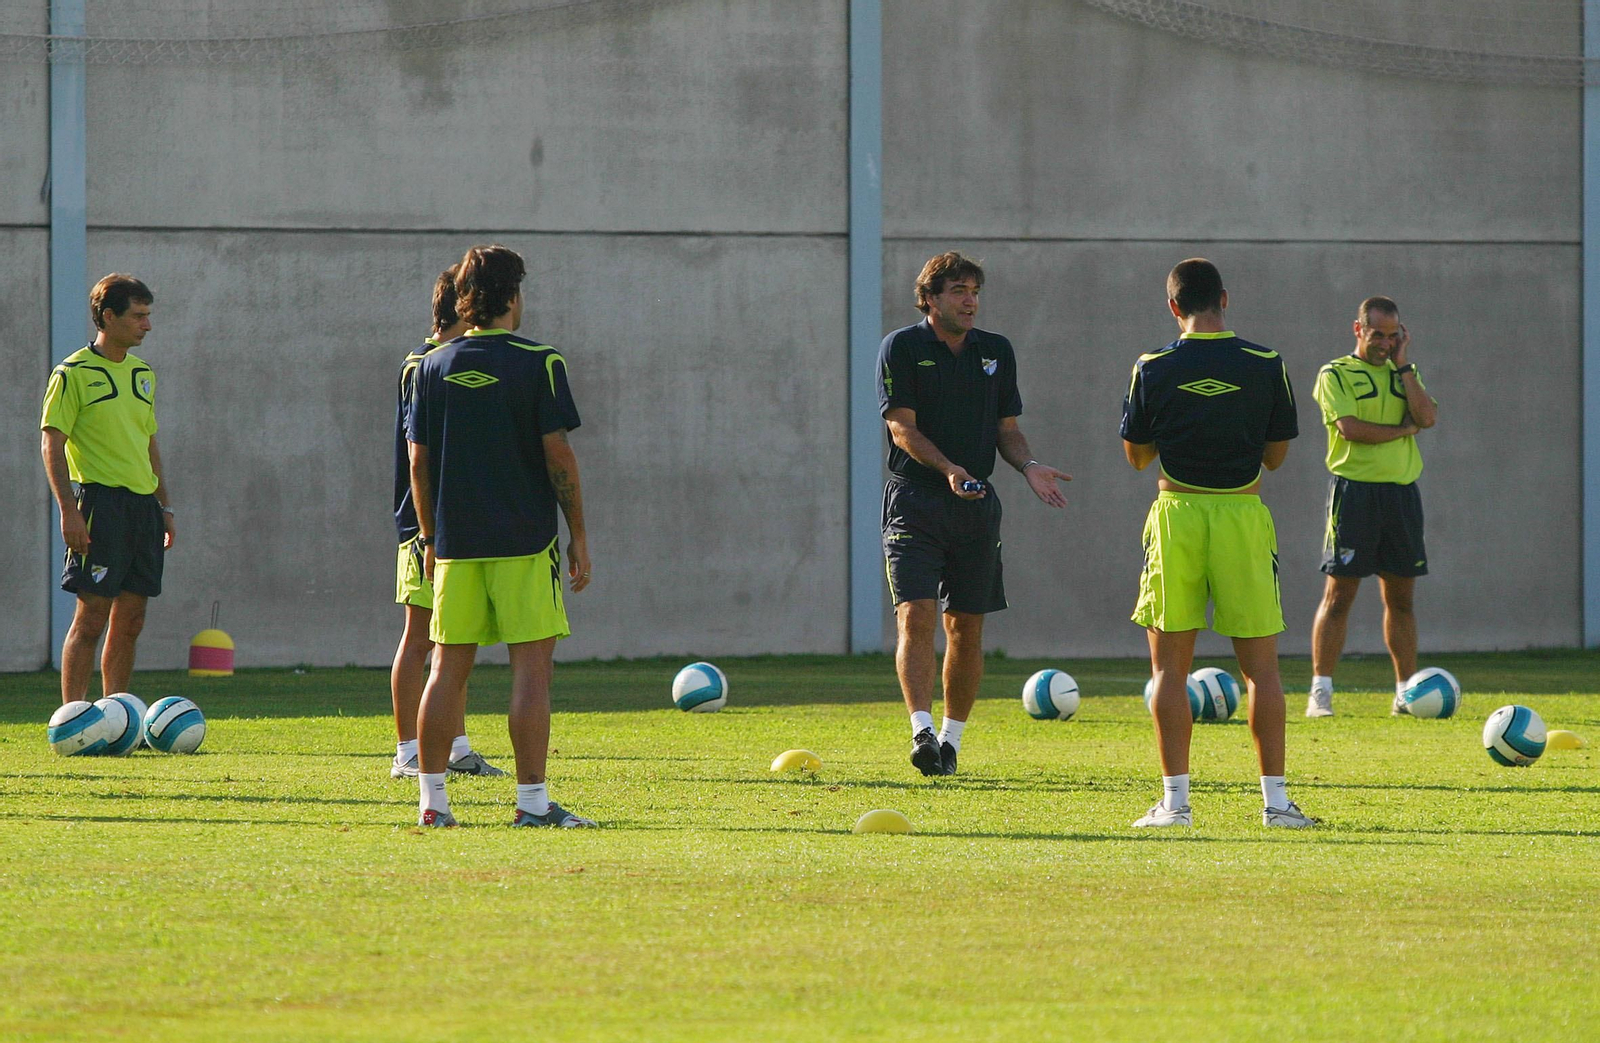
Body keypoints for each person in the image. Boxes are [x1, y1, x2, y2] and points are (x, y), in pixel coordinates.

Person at [405, 244, 594, 828]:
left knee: (445, 669)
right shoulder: (540, 361)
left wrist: (433, 539)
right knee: (531, 670)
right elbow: (558, 455)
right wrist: (579, 535)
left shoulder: (431, 365)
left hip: (456, 546)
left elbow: (418, 463)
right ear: (513, 295)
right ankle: (532, 805)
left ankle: (433, 804)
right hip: (524, 542)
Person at [1121, 258, 1313, 828]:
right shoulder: (1266, 363)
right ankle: (1276, 805)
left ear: (1173, 307)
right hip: (1243, 517)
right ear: (1224, 299)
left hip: (1177, 516)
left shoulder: (1152, 366)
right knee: (1262, 671)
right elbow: (1276, 457)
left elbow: (1136, 457)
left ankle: (1175, 805)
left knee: (1169, 672)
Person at [877, 251, 1070, 777]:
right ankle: (920, 730)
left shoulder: (995, 351)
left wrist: (1028, 466)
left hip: (975, 507)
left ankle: (950, 741)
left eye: (975, 292)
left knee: (965, 626)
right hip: (914, 502)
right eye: (959, 291)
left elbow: (1007, 430)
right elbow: (902, 429)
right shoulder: (903, 347)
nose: (970, 301)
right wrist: (948, 470)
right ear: (931, 298)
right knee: (915, 617)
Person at [387, 265, 505, 780]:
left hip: (454, 525)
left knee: (452, 641)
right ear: (463, 304)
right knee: (420, 637)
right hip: (425, 527)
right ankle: (409, 753)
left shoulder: (444, 360)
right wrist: (426, 530)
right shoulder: (426, 364)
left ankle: (455, 748)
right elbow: (419, 459)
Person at [40, 274, 176, 705]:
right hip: (100, 504)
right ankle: (74, 719)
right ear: (108, 316)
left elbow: (149, 441)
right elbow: (52, 442)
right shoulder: (71, 373)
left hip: (144, 509)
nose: (147, 326)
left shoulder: (144, 374)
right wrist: (68, 510)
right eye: (138, 316)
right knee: (92, 617)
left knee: (131, 620)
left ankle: (117, 715)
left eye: (148, 316)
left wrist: (166, 507)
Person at [1305, 297, 1438, 718]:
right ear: (1358, 330)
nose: (1385, 342)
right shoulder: (1335, 373)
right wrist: (1403, 430)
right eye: (1378, 333)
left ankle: (1406, 693)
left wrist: (1403, 365)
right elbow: (1350, 429)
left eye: (1393, 334)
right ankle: (1321, 690)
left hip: (1400, 495)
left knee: (1401, 600)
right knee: (1339, 595)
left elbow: (1428, 417)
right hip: (1355, 493)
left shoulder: (1405, 373)